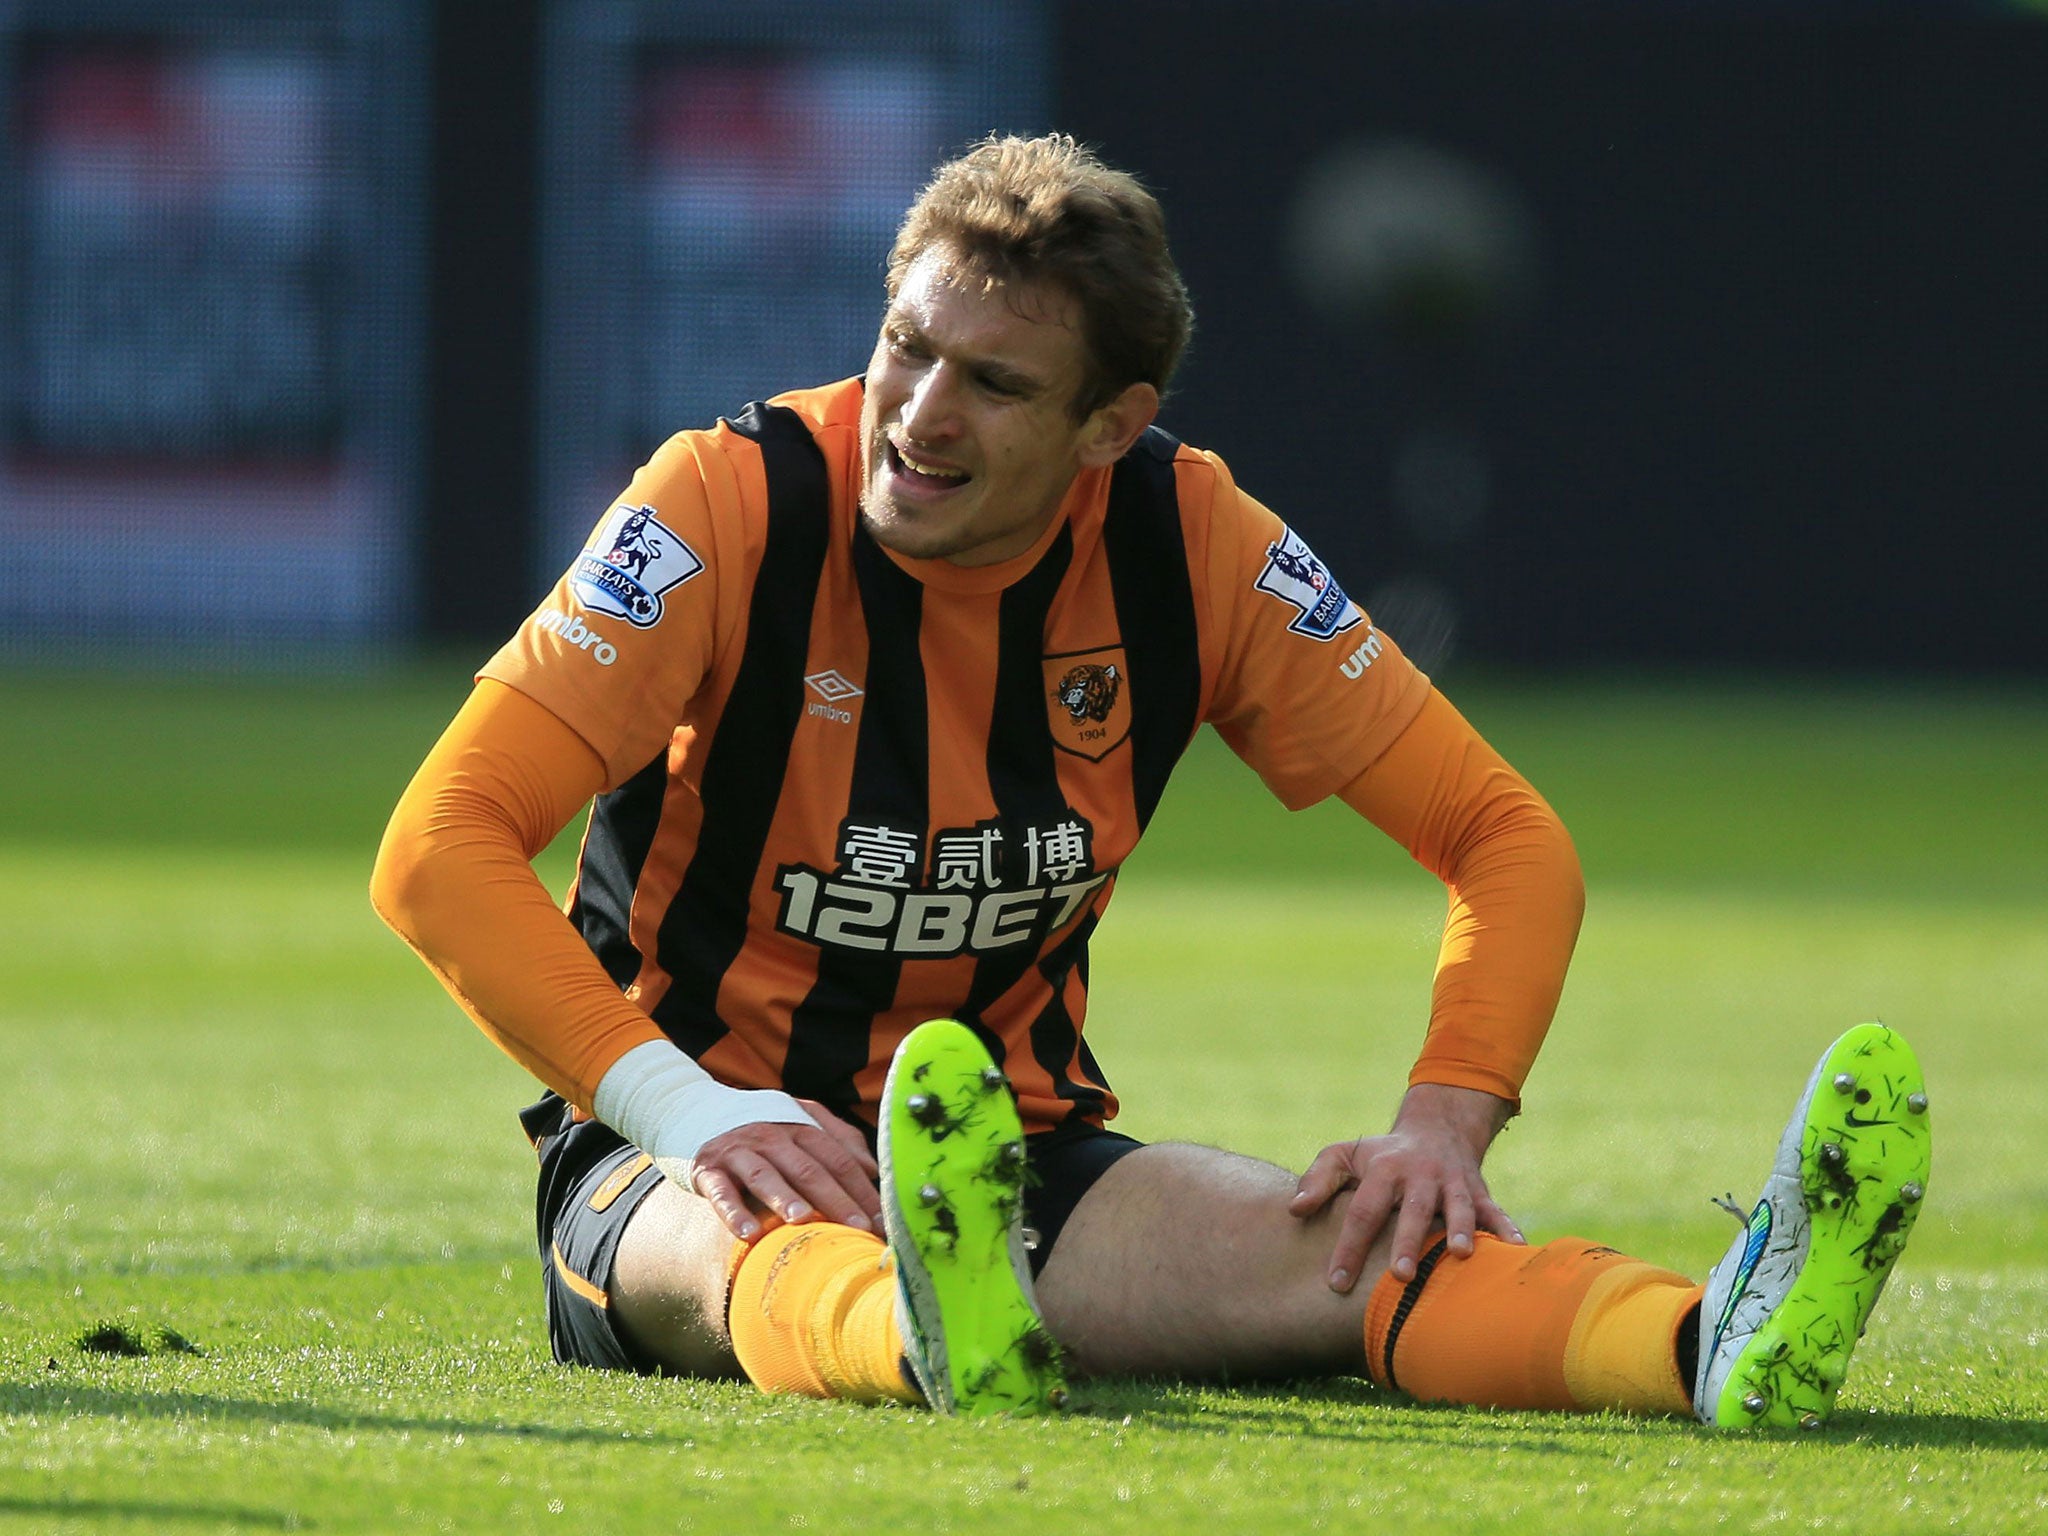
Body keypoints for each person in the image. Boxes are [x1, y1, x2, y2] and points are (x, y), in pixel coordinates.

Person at [371, 134, 1929, 1425]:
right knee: (752, 1244)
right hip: (673, 1150)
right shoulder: (723, 505)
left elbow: (1505, 836)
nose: (919, 414)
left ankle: (1705, 1340)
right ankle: (925, 1329)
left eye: (991, 383)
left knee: (1349, 1252)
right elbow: (436, 848)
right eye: (906, 347)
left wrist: (1443, 1127)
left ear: (1111, 427)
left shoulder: (1195, 542)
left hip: (1030, 1160)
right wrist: (690, 1108)